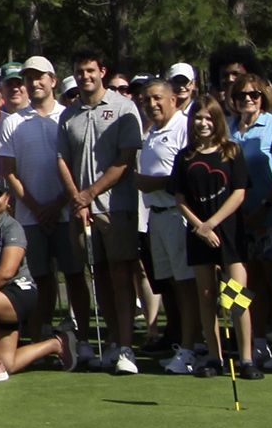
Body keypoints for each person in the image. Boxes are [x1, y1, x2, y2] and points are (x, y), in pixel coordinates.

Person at [60, 51, 143, 374]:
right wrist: (77, 200)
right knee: (99, 277)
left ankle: (126, 347)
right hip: (82, 210)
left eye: (91, 71)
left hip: (116, 206)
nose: (85, 76)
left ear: (102, 72)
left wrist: (90, 195)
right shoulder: (69, 114)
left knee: (121, 275)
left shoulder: (123, 108)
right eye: (80, 72)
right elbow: (61, 160)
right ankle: (110, 342)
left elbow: (125, 159)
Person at [0, 57, 86, 357]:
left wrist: (61, 201)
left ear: (53, 80)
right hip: (30, 216)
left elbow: (76, 167)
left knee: (75, 275)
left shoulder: (70, 116)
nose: (34, 82)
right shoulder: (12, 120)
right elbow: (9, 172)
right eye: (29, 77)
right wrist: (37, 208)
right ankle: (40, 339)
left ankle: (84, 338)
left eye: (40, 77)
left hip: (66, 211)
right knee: (38, 280)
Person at [0, 176, 66, 383]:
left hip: (19, 293)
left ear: (7, 199)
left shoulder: (12, 227)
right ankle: (57, 344)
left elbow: (7, 271)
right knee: (10, 364)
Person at [176, 103, 256, 377]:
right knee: (207, 296)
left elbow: (239, 192)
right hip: (199, 235)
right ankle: (214, 357)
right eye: (198, 118)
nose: (203, 123)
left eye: (208, 118)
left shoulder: (230, 151)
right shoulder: (185, 157)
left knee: (236, 298)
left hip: (229, 234)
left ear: (218, 120)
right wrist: (200, 226)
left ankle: (246, 359)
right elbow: (180, 199)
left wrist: (213, 223)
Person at [132, 79, 202, 375]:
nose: (152, 104)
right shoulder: (151, 132)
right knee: (171, 285)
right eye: (147, 100)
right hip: (156, 216)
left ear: (174, 99)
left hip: (178, 214)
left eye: (158, 98)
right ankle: (182, 343)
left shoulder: (184, 128)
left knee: (187, 285)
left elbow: (191, 174)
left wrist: (153, 183)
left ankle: (192, 349)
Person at [227, 72, 272, 370]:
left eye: (253, 94)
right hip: (238, 216)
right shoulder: (228, 128)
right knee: (248, 282)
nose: (248, 100)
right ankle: (256, 343)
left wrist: (266, 205)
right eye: (242, 95)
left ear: (263, 96)